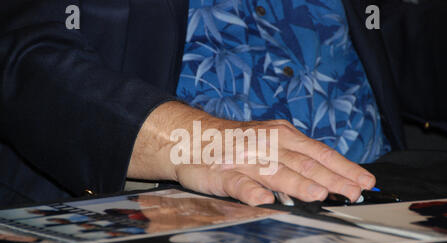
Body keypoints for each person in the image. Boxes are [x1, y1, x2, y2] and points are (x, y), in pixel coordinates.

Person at [0, 0, 391, 208]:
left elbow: (392, 30)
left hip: (382, 189)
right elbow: (22, 54)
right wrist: (192, 140)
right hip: (179, 211)